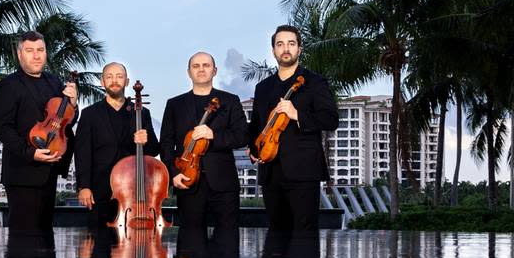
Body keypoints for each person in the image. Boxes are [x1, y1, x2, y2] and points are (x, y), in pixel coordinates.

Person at [248, 25, 339, 231]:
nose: (285, 48)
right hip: (270, 171)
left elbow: (330, 120)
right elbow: (256, 126)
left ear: (299, 48)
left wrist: (297, 114)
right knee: (276, 234)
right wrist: (253, 149)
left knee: (304, 235)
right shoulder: (262, 88)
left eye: (291, 43)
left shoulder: (315, 82)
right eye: (280, 44)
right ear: (273, 51)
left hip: (304, 172)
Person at [0, 31, 78, 233]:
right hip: (22, 172)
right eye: (30, 51)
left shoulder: (54, 82)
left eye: (40, 50)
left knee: (46, 236)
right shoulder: (7, 86)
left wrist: (73, 103)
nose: (36, 55)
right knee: (23, 240)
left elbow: (65, 121)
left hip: (49, 172)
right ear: (20, 54)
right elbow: (2, 128)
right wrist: (31, 152)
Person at [159, 51, 249, 229]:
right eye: (196, 66)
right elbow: (166, 143)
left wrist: (214, 135)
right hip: (187, 180)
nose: (201, 69)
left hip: (223, 184)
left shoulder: (230, 101)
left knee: (226, 242)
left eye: (206, 65)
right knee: (190, 244)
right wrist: (174, 173)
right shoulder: (174, 104)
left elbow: (242, 136)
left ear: (215, 71)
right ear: (189, 72)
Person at [74, 62, 160, 228]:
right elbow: (82, 153)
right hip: (100, 190)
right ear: (102, 81)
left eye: (119, 77)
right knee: (98, 245)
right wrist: (84, 186)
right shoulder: (90, 114)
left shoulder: (141, 112)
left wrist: (146, 140)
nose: (114, 80)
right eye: (109, 76)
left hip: (134, 191)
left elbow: (154, 151)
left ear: (127, 82)